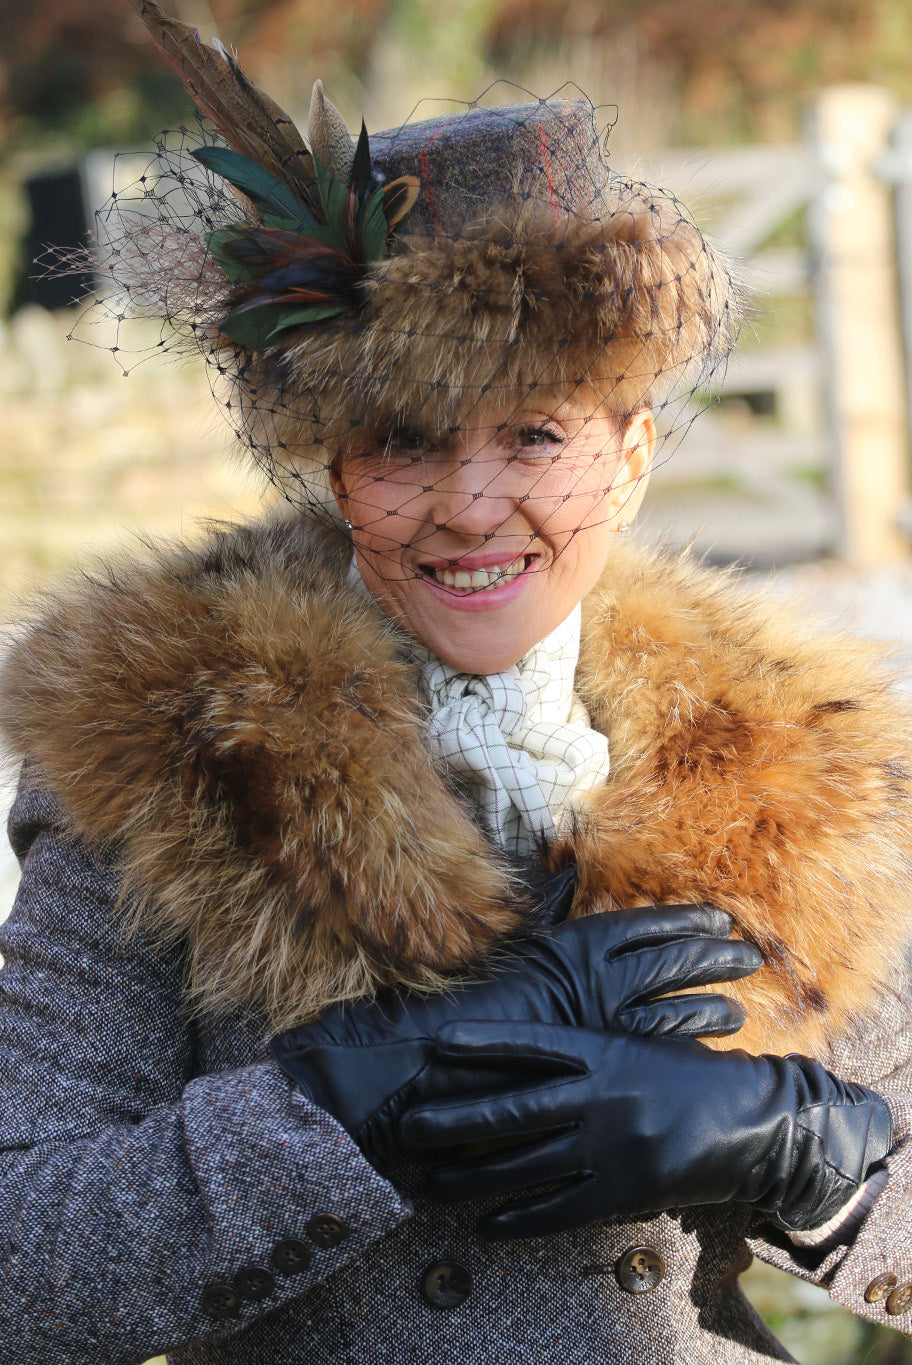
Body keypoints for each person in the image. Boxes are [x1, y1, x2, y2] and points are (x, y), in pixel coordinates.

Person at [2, 2, 912, 1361]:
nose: (475, 507)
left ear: (636, 449)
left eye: (538, 434)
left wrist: (809, 1152)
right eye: (405, 442)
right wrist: (344, 1103)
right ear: (328, 462)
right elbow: (26, 1264)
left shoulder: (789, 759)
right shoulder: (167, 747)